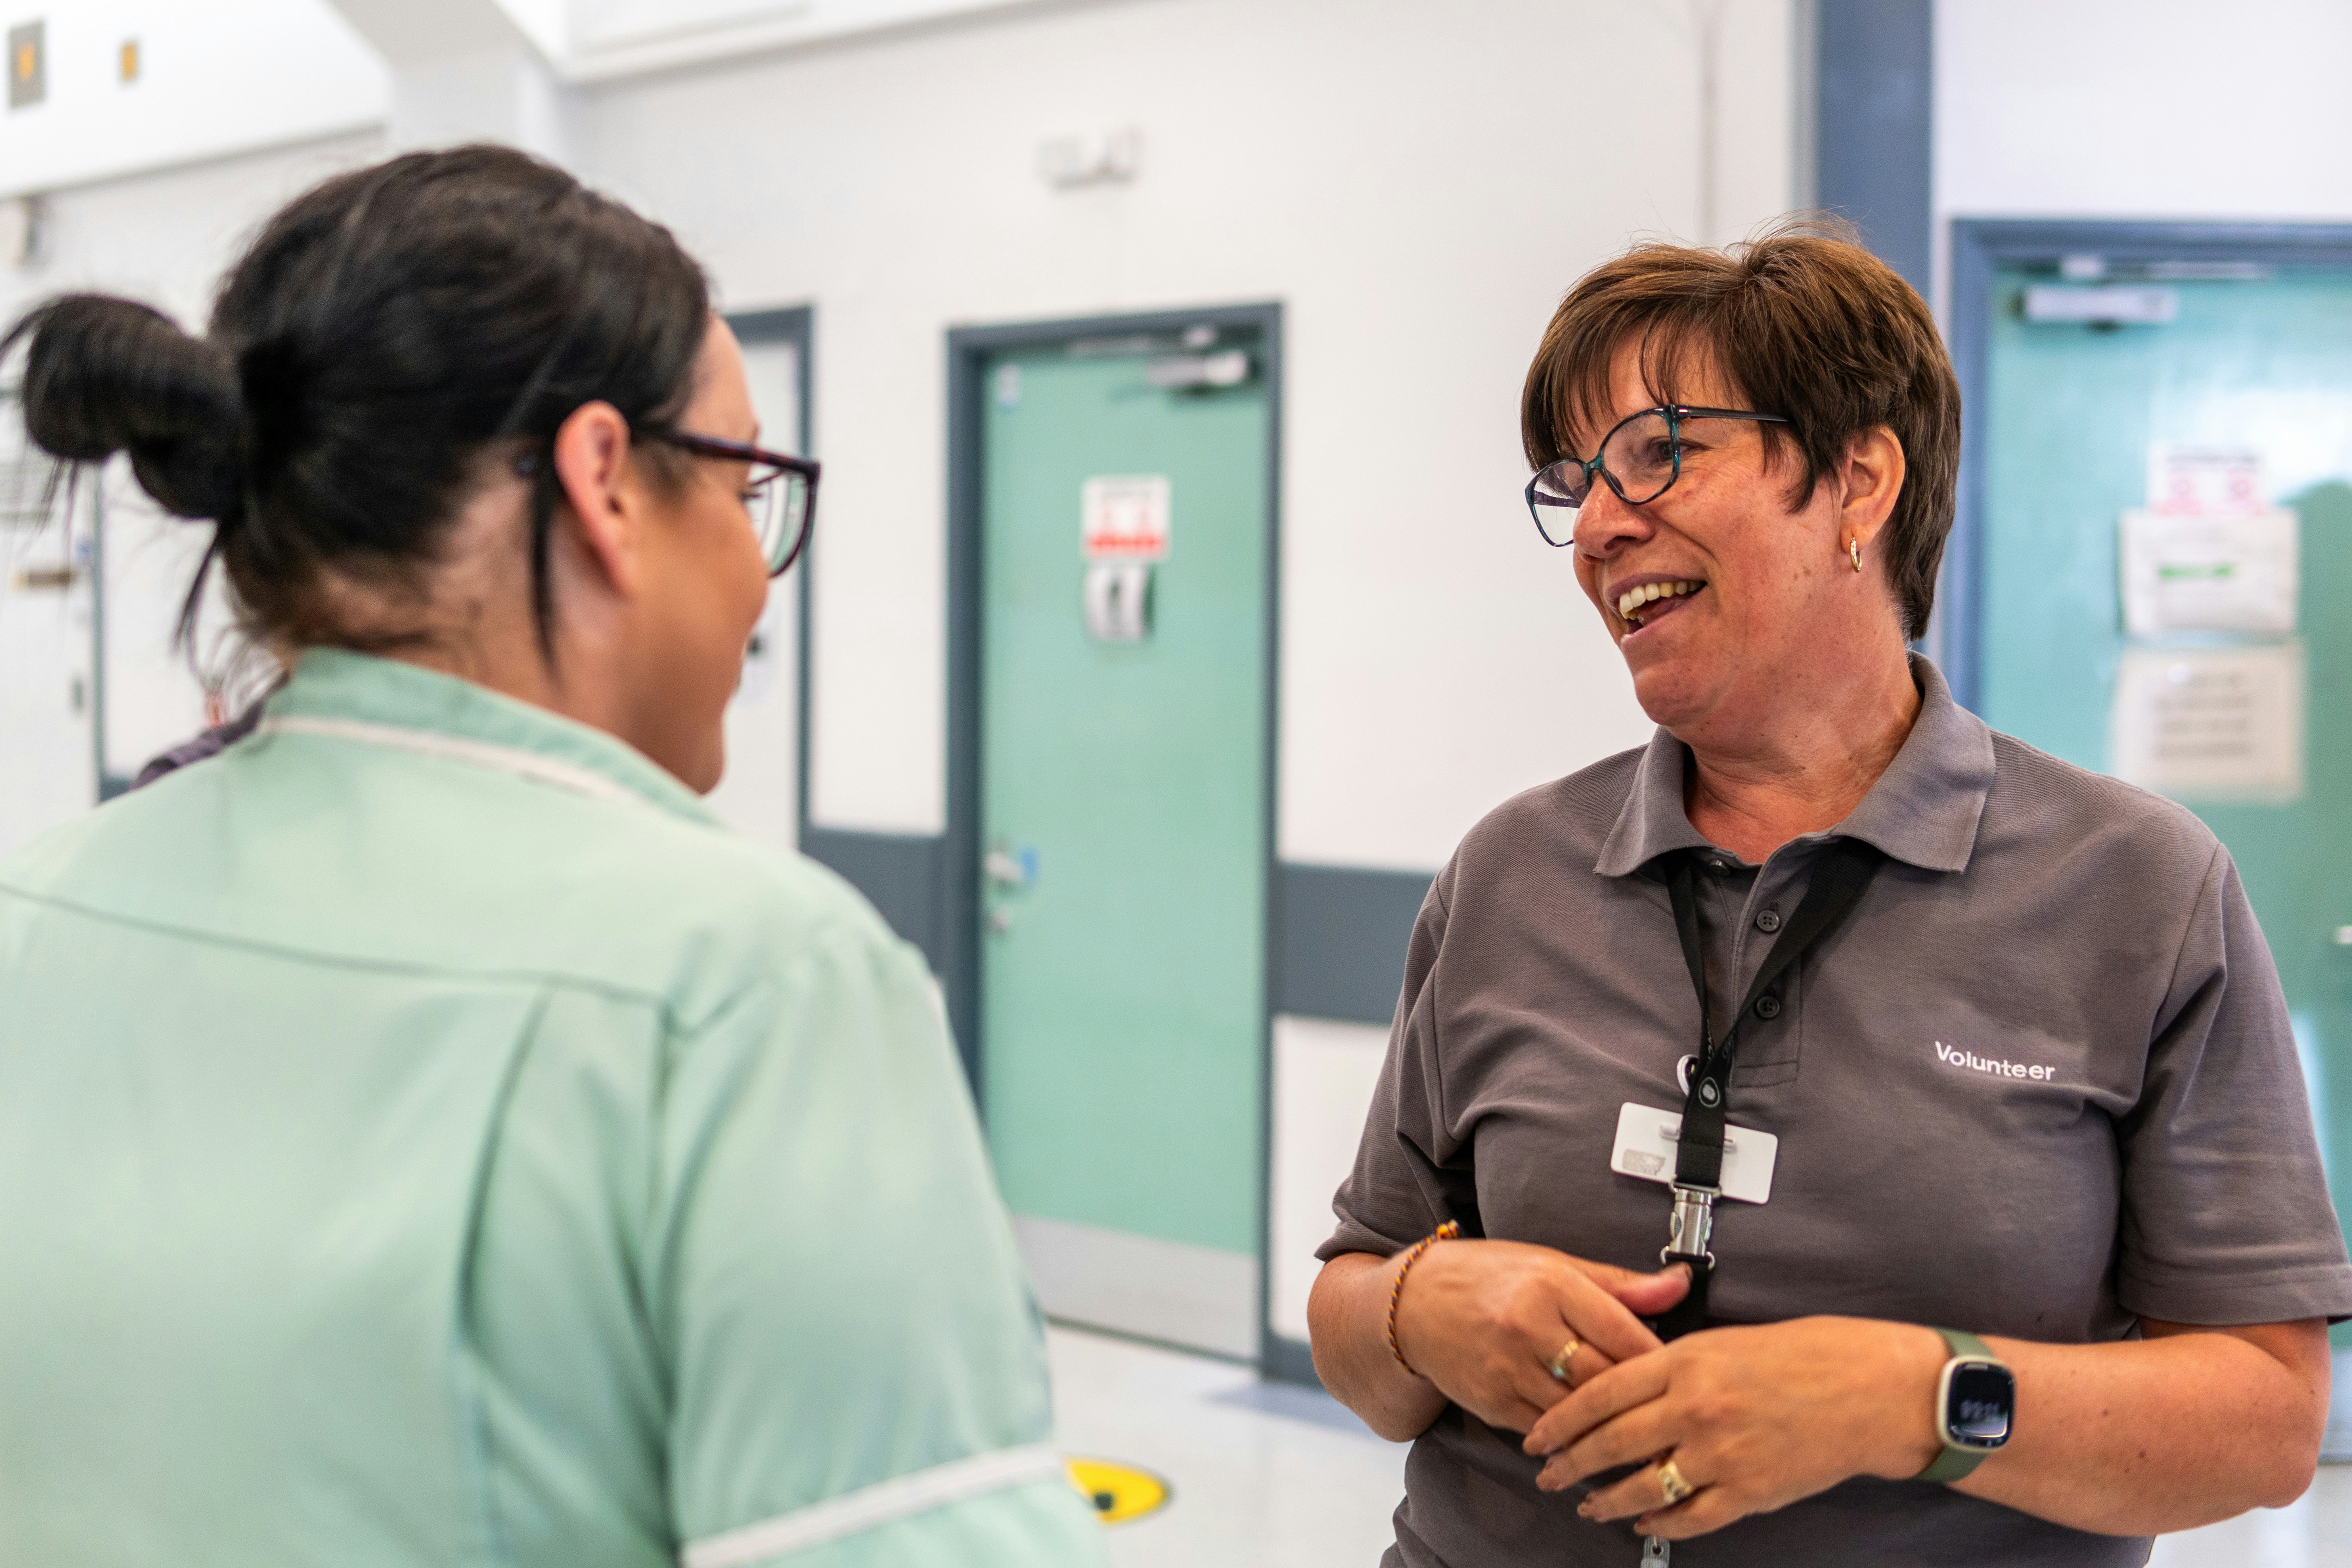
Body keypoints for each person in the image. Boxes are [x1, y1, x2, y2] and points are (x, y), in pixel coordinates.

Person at [0, 147, 1106, 1568]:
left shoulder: (38, 909)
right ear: (603, 481)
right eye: (742, 481)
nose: (758, 581)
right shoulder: (751, 984)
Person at [1305, 224, 2351, 1567]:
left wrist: (1907, 1401)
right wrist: (1416, 1309)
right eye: (1575, 482)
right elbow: (1356, 1307)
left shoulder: (2137, 892)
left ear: (1857, 480)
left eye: (1657, 450)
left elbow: (2265, 1424)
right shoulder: (1512, 873)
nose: (1601, 525)